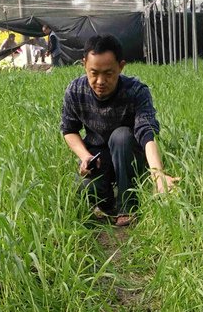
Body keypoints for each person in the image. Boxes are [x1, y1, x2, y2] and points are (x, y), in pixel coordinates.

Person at [60, 34, 179, 226]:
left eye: (108, 73)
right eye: (94, 73)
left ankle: (128, 205)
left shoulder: (136, 91)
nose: (100, 81)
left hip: (128, 154)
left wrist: (158, 174)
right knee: (84, 189)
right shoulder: (75, 90)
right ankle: (108, 203)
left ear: (121, 66)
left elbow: (147, 132)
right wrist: (85, 157)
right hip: (98, 156)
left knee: (121, 136)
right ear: (84, 65)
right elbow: (69, 129)